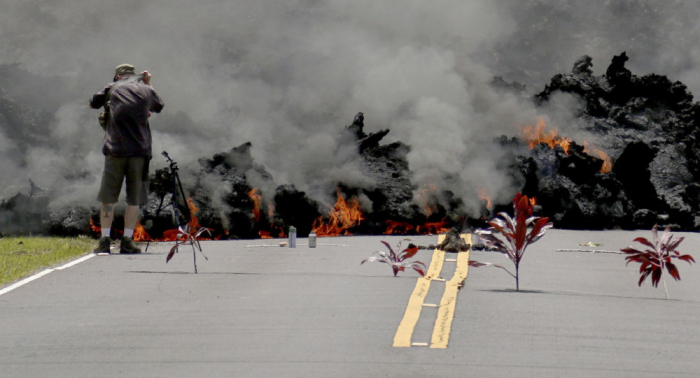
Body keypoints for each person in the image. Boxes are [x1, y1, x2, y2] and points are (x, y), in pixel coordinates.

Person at [89, 64, 164, 255]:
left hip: (115, 152)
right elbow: (159, 106)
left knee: (108, 199)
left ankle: (105, 241)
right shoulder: (146, 89)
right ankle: (127, 241)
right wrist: (149, 83)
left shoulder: (111, 88)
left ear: (117, 77)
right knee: (134, 200)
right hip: (139, 153)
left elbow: (92, 103)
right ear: (135, 76)